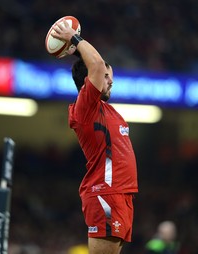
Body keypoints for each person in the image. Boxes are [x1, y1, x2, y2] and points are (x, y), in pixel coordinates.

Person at [51, 19, 139, 254]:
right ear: (89, 81)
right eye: (107, 77)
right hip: (105, 193)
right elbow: (98, 65)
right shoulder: (85, 107)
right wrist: (74, 39)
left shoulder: (106, 110)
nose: (111, 81)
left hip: (120, 194)